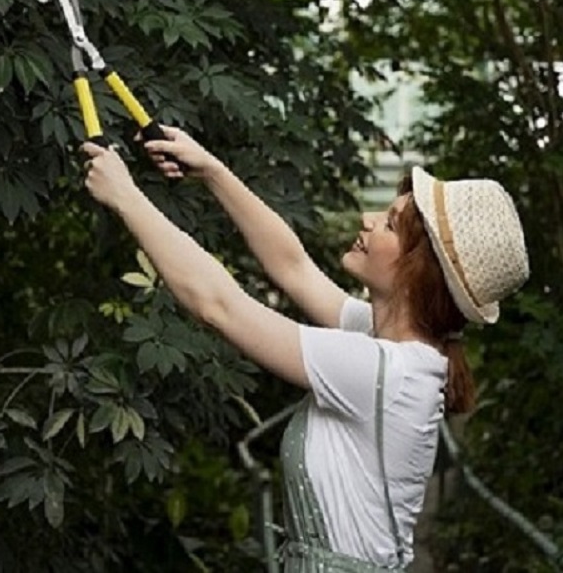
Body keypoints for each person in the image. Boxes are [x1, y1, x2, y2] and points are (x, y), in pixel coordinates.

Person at [81, 127, 529, 571]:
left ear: (418, 273)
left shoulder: (385, 372)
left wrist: (127, 197)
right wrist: (213, 170)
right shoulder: (382, 343)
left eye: (390, 223)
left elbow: (218, 305)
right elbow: (293, 268)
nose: (368, 219)